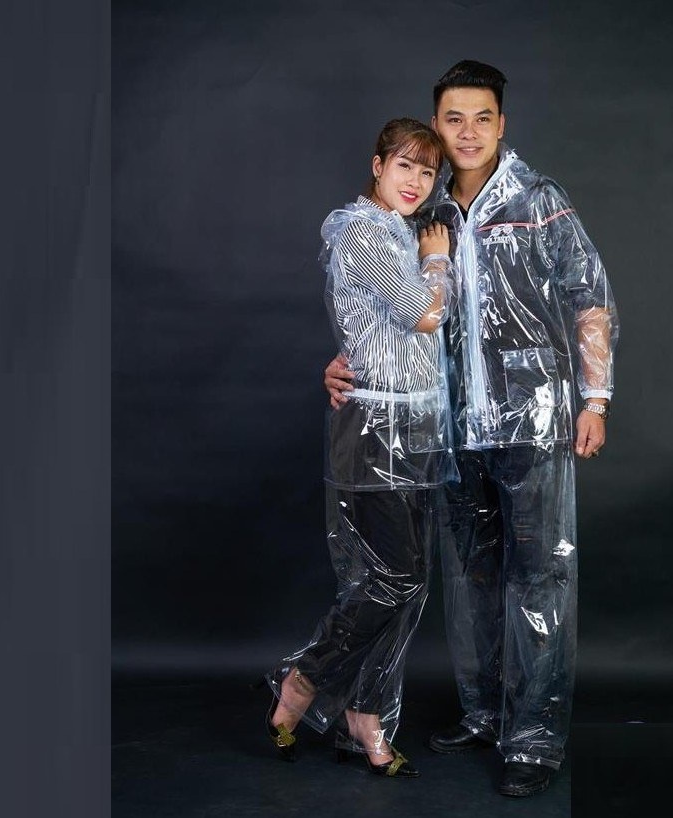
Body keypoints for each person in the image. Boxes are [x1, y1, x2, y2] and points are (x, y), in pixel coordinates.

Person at [325, 60, 619, 797]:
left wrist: (595, 399)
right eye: (453, 118)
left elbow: (588, 297)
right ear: (437, 124)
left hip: (533, 418)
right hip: (451, 425)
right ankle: (485, 714)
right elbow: (392, 307)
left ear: (501, 125)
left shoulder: (537, 199)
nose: (467, 132)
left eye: (482, 118)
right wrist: (347, 359)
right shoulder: (423, 212)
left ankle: (534, 738)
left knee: (540, 577)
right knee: (470, 578)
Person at [265, 118, 457, 779]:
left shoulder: (401, 233)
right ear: (377, 166)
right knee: (394, 577)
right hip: (375, 428)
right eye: (405, 165)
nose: (416, 181)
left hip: (416, 425)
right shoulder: (359, 230)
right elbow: (422, 314)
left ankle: (365, 712)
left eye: (427, 172)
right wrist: (438, 262)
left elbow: (390, 334)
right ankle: (304, 677)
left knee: (406, 584)